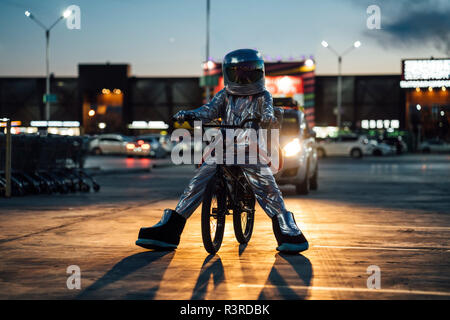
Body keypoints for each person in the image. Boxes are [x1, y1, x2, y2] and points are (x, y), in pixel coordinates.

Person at [136, 49, 308, 253]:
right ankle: (170, 230)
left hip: (250, 147)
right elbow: (207, 111)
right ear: (229, 73)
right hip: (223, 147)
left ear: (258, 73)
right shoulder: (224, 95)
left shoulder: (263, 96)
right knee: (198, 181)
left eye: (248, 73)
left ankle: (287, 229)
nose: (242, 78)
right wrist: (189, 115)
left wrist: (268, 119)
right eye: (237, 73)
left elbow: (268, 112)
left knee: (266, 185)